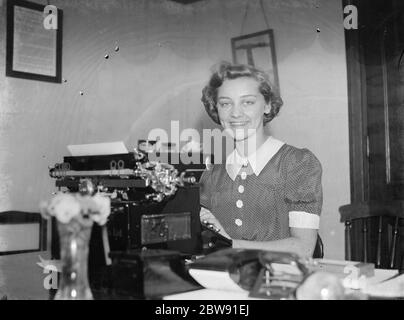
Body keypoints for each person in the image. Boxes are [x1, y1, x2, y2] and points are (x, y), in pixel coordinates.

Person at [199, 62, 322, 258]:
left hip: (278, 280)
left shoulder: (297, 164)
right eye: (225, 103)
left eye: (247, 102)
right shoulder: (211, 175)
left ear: (267, 105)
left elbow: (304, 248)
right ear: (216, 109)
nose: (235, 113)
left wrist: (229, 244)